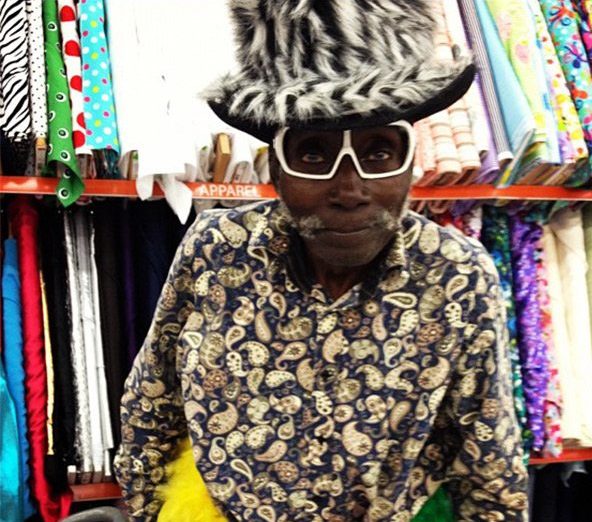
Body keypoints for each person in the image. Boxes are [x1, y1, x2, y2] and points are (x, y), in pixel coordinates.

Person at [114, 1, 529, 520]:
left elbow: (490, 474)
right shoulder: (217, 251)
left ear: (412, 162)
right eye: (313, 154)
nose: (349, 190)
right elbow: (151, 408)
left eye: (380, 152)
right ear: (276, 169)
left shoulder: (456, 276)